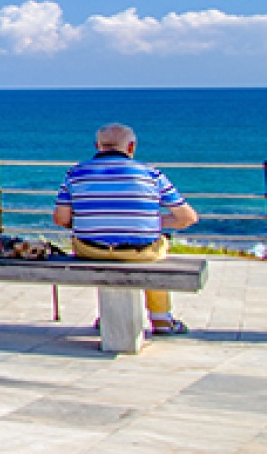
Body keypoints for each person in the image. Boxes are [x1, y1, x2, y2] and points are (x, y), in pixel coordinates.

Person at [55, 123, 197, 336]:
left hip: (91, 250)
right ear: (131, 147)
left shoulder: (76, 173)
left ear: (97, 146)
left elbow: (60, 219)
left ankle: (108, 316)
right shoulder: (151, 174)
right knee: (158, 246)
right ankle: (161, 318)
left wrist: (94, 220)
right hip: (140, 253)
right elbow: (187, 218)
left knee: (101, 247)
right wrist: (149, 222)